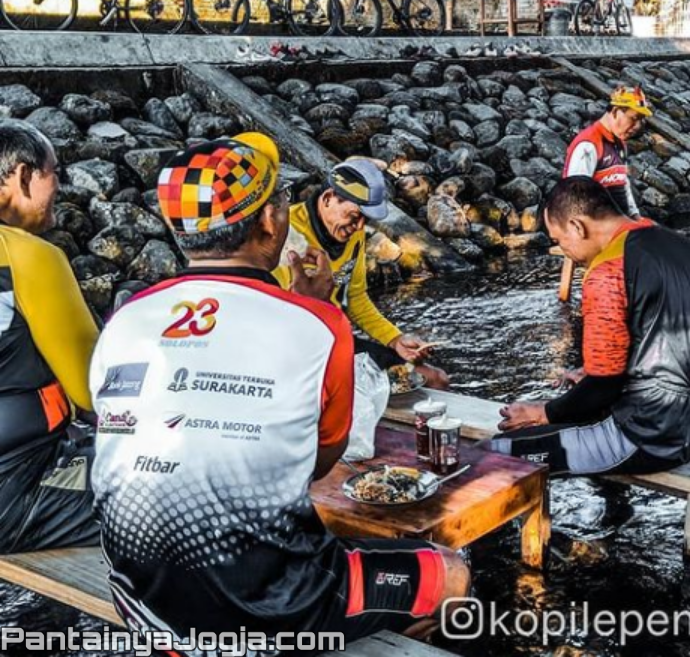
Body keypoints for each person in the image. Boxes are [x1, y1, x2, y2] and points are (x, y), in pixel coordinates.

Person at [89, 133, 469, 649]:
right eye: (283, 200)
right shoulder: (317, 324)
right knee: (451, 575)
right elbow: (315, 463)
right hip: (273, 602)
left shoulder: (123, 322)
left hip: (142, 595)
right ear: (270, 221)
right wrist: (320, 308)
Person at [489, 178, 690, 476]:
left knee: (496, 454)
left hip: (655, 435)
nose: (564, 251)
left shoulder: (607, 270)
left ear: (577, 227)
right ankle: (614, 513)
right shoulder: (676, 242)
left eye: (559, 240)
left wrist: (544, 411)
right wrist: (591, 373)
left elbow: (603, 387)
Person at [0, 119, 100, 554]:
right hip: (15, 493)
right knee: (168, 486)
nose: (60, 184)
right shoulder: (30, 258)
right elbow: (95, 391)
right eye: (54, 172)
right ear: (23, 177)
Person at [273, 158, 449, 389]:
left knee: (434, 379)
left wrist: (395, 339)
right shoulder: (284, 234)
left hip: (336, 343)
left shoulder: (352, 235)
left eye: (365, 220)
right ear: (327, 199)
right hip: (292, 356)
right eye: (354, 217)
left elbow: (355, 297)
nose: (358, 228)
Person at [563, 85, 652, 219]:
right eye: (634, 118)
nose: (637, 126)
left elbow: (622, 182)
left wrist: (634, 214)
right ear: (615, 111)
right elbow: (576, 197)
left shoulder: (619, 143)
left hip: (617, 224)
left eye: (641, 121)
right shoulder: (588, 145)